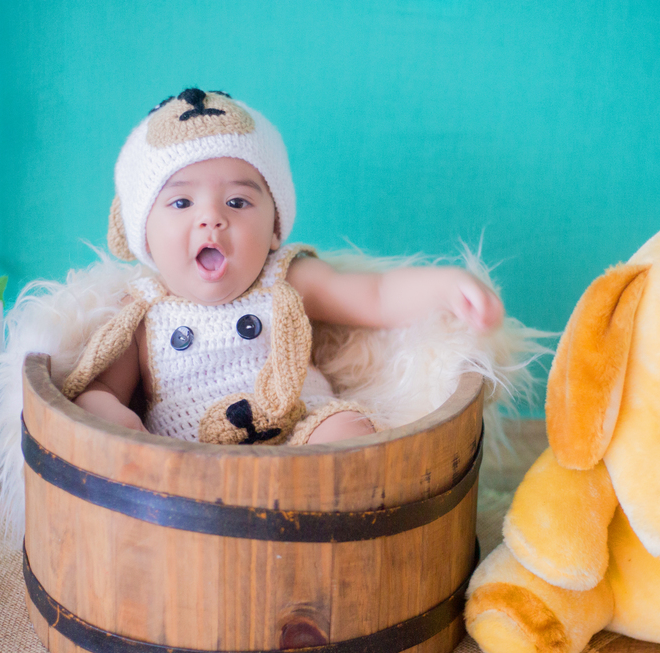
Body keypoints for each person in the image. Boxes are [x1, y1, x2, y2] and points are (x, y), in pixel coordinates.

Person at [61, 88, 503, 445]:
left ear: (274, 227)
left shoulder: (285, 278)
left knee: (347, 429)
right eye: (181, 201)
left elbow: (376, 294)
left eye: (237, 201)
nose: (212, 218)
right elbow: (100, 389)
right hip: (192, 462)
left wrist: (445, 286)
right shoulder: (144, 311)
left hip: (299, 435)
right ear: (144, 237)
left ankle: (326, 530)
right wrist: (111, 414)